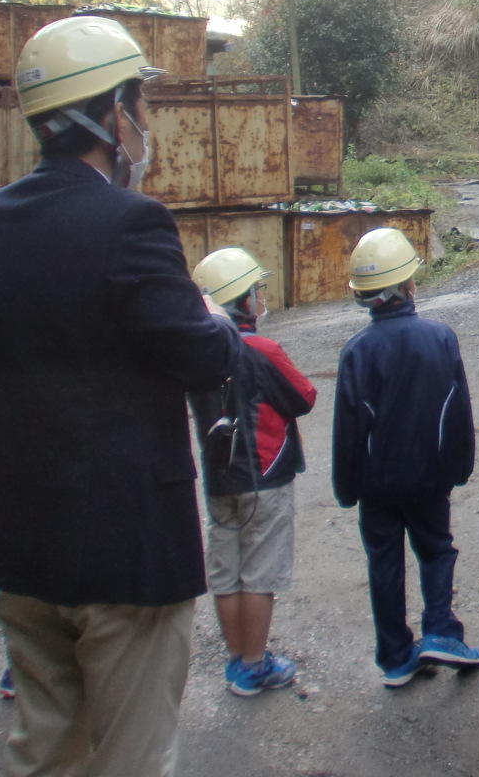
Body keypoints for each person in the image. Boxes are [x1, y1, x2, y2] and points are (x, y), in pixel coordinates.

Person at [0, 15, 242, 775]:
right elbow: (203, 359)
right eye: (141, 103)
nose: (146, 122)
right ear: (113, 113)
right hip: (122, 550)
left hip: (20, 545)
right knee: (132, 755)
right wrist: (212, 317)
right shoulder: (131, 221)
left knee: (47, 749)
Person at [332, 228, 479, 686]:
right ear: (408, 286)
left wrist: (346, 487)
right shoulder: (440, 338)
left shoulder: (356, 351)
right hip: (430, 477)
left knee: (384, 562)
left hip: (376, 485)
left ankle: (396, 657)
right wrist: (461, 466)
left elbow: (347, 430)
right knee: (436, 548)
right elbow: (458, 410)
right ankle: (440, 631)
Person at [188, 247, 318, 696]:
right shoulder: (262, 349)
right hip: (265, 477)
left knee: (227, 572)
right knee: (260, 573)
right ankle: (255, 664)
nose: (260, 298)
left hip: (219, 479)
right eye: (255, 291)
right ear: (241, 300)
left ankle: (237, 661)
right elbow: (304, 397)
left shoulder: (196, 354)